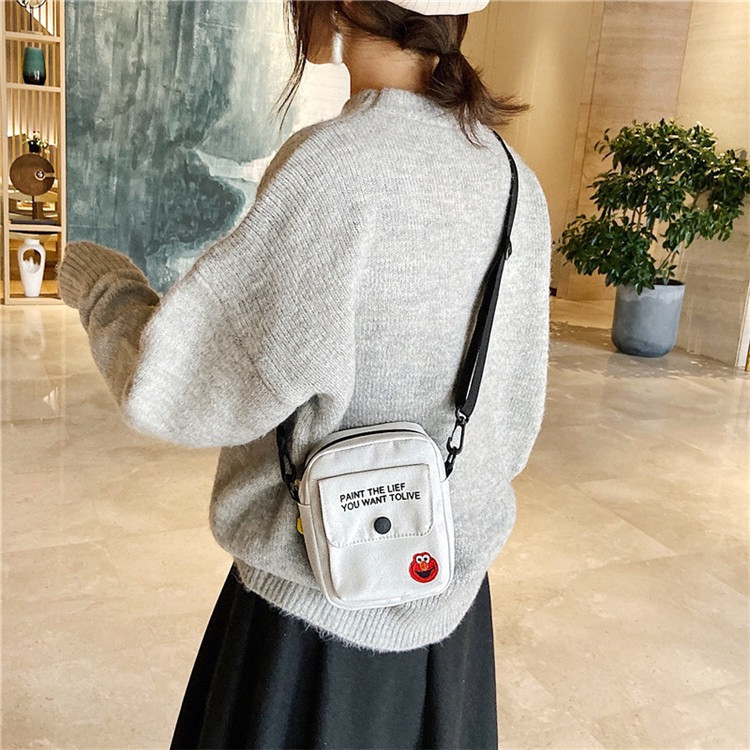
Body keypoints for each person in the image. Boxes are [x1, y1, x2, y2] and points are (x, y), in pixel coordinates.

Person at [56, 0, 551, 747]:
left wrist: (104, 286)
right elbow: (510, 413)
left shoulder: (332, 166)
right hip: (447, 607)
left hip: (315, 618)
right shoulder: (515, 182)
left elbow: (177, 384)